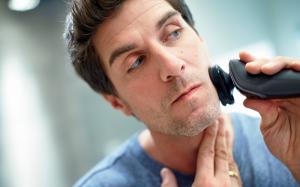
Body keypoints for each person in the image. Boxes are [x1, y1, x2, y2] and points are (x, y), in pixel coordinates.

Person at [64, 0, 300, 186]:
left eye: (174, 33)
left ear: (200, 38)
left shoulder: (288, 139)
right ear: (117, 102)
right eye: (136, 62)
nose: (173, 66)